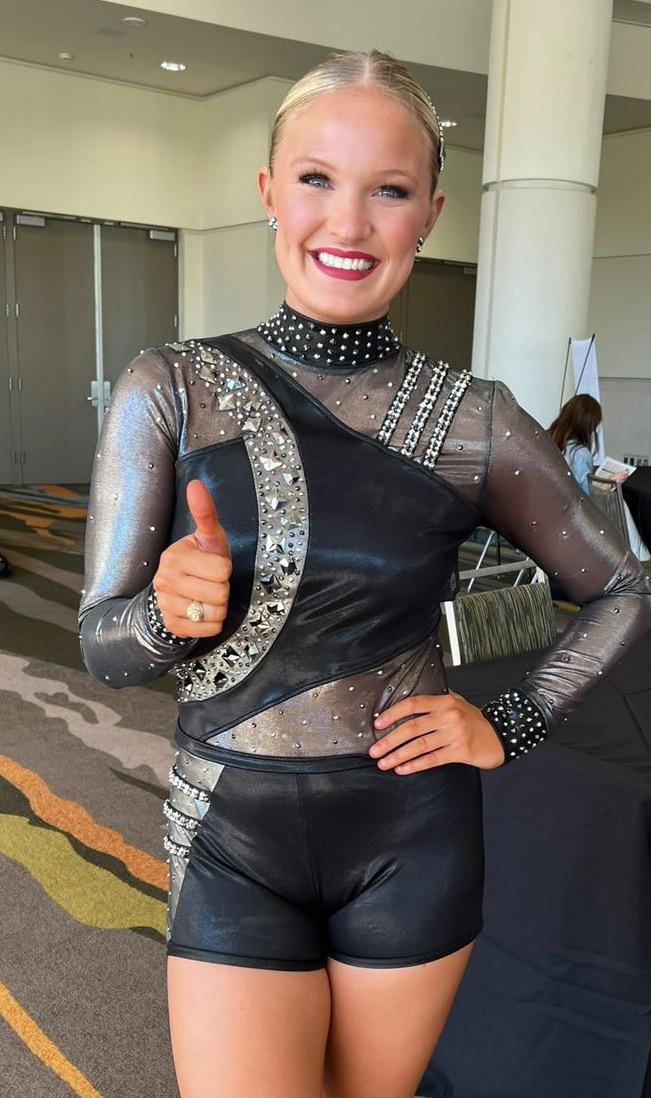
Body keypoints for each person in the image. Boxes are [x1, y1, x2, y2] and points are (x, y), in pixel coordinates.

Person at [78, 49, 651, 1098]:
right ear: (268, 191)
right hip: (231, 831)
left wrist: (514, 723)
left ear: (429, 212)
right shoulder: (171, 387)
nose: (347, 222)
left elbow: (624, 587)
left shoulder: (473, 418)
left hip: (411, 838)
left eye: (388, 190)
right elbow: (101, 646)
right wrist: (159, 617)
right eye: (316, 179)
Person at [550, 394, 650, 560]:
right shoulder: (580, 454)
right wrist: (610, 483)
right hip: (574, 516)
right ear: (588, 424)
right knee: (620, 503)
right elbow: (585, 498)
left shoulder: (551, 443)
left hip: (555, 511)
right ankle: (639, 556)